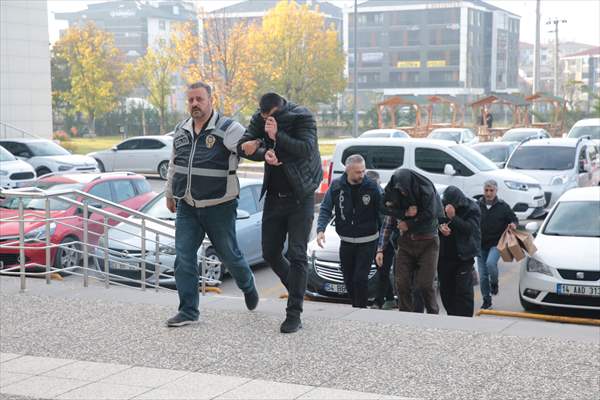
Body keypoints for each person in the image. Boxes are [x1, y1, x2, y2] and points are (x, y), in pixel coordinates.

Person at [164, 81, 258, 327]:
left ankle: (247, 285)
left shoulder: (228, 128)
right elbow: (174, 164)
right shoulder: (181, 129)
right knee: (183, 257)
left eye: (199, 99)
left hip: (220, 205)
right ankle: (188, 311)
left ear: (210, 101)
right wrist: (169, 193)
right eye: (191, 100)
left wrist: (258, 148)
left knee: (229, 254)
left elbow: (248, 147)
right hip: (187, 204)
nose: (194, 104)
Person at [238, 93, 322, 333]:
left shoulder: (302, 117)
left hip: (301, 194)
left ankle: (293, 313)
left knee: (297, 253)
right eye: (263, 117)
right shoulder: (260, 117)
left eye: (270, 117)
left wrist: (277, 137)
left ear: (280, 109)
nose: (265, 121)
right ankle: (298, 287)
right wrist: (261, 152)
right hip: (275, 196)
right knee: (271, 252)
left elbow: (306, 149)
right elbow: (244, 144)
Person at [316, 156, 382, 308]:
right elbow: (325, 208)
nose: (361, 175)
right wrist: (321, 230)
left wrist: (382, 245)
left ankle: (361, 309)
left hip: (368, 241)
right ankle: (356, 307)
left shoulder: (372, 187)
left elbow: (383, 214)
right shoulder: (336, 186)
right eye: (358, 172)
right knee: (348, 279)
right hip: (346, 242)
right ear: (348, 171)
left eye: (363, 171)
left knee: (360, 278)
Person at [376, 169, 443, 314]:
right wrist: (380, 249)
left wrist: (410, 223)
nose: (403, 193)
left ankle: (433, 313)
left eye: (405, 190)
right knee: (401, 283)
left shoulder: (426, 192)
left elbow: (431, 214)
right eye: (400, 190)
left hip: (428, 243)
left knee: (424, 284)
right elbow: (387, 220)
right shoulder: (394, 193)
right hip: (405, 243)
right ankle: (405, 314)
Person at [437, 186, 481, 317]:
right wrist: (440, 227)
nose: (448, 206)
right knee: (446, 289)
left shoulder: (471, 208)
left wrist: (453, 217)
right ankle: (452, 316)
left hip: (463, 256)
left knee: (463, 290)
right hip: (444, 256)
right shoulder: (441, 205)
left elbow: (469, 230)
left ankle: (465, 319)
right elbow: (434, 221)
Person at [477, 180, 518, 309]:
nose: (488, 193)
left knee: (490, 263)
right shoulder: (477, 205)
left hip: (496, 243)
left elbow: (514, 219)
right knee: (483, 276)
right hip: (480, 244)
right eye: (486, 190)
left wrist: (513, 224)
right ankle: (486, 300)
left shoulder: (503, 206)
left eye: (491, 190)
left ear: (496, 191)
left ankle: (494, 282)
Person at [366, 170, 395, 310]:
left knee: (383, 271)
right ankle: (389, 298)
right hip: (376, 239)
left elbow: (386, 223)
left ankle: (379, 301)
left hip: (385, 241)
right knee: (382, 270)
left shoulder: (383, 199)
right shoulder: (376, 196)